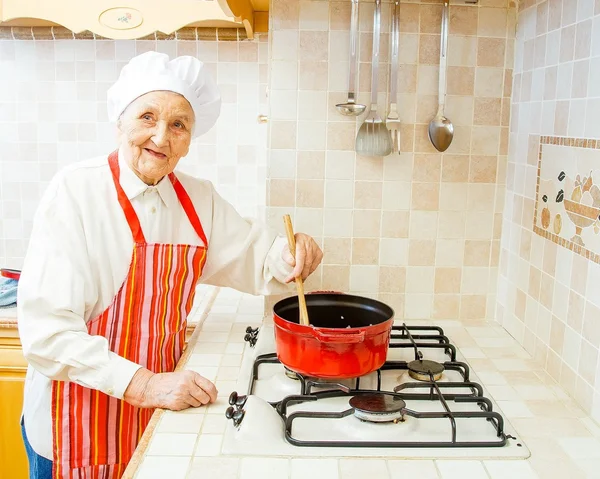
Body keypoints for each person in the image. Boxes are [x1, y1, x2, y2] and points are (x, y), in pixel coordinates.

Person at [16, 51, 323, 479]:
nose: (162, 136)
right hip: (77, 422)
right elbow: (47, 336)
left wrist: (292, 253)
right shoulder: (76, 193)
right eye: (147, 117)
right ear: (120, 121)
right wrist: (145, 385)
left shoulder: (197, 199)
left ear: (190, 138)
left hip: (156, 414)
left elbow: (257, 259)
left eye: (179, 124)